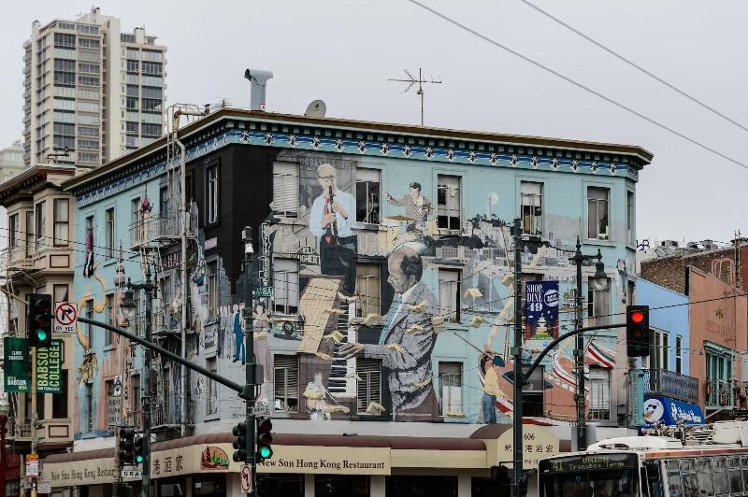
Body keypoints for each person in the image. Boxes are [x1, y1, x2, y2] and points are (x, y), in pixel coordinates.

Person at [339, 245, 438, 419]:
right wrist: (368, 321)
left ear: (411, 278)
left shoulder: (424, 307)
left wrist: (365, 350)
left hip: (412, 400)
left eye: (394, 276)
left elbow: (407, 357)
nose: (388, 280)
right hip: (397, 385)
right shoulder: (404, 291)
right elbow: (393, 320)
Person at [308, 163, 357, 294]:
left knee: (347, 282)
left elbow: (356, 226)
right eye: (325, 178)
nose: (329, 181)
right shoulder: (318, 202)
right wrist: (323, 223)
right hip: (327, 244)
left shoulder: (348, 198)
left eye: (332, 177)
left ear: (336, 177)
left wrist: (343, 212)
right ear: (319, 180)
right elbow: (313, 228)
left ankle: (347, 302)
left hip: (346, 243)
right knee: (328, 280)